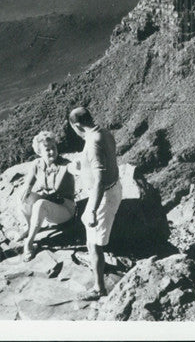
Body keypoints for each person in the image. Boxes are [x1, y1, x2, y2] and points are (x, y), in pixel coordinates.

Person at [68, 106, 122, 299]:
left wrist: (91, 209)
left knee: (94, 244)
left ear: (76, 125)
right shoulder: (102, 132)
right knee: (92, 240)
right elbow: (103, 160)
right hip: (113, 188)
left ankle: (99, 288)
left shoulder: (92, 143)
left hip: (103, 195)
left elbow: (99, 179)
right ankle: (94, 260)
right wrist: (81, 166)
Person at [18, 130, 76, 261]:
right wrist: (26, 191)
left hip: (65, 210)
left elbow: (72, 168)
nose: (52, 152)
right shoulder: (37, 164)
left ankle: (29, 243)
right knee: (22, 196)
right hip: (48, 206)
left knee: (40, 204)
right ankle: (29, 227)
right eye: (47, 149)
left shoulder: (64, 164)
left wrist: (77, 167)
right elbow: (27, 185)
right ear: (39, 152)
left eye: (53, 148)